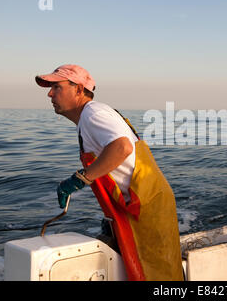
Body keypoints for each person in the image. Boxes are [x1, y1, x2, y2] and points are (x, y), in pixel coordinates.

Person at [35, 64, 184, 281]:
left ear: (78, 90)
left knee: (156, 273)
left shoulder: (92, 114)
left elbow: (122, 147)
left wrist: (79, 179)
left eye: (56, 87)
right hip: (137, 204)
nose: (49, 93)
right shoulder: (92, 116)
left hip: (145, 206)